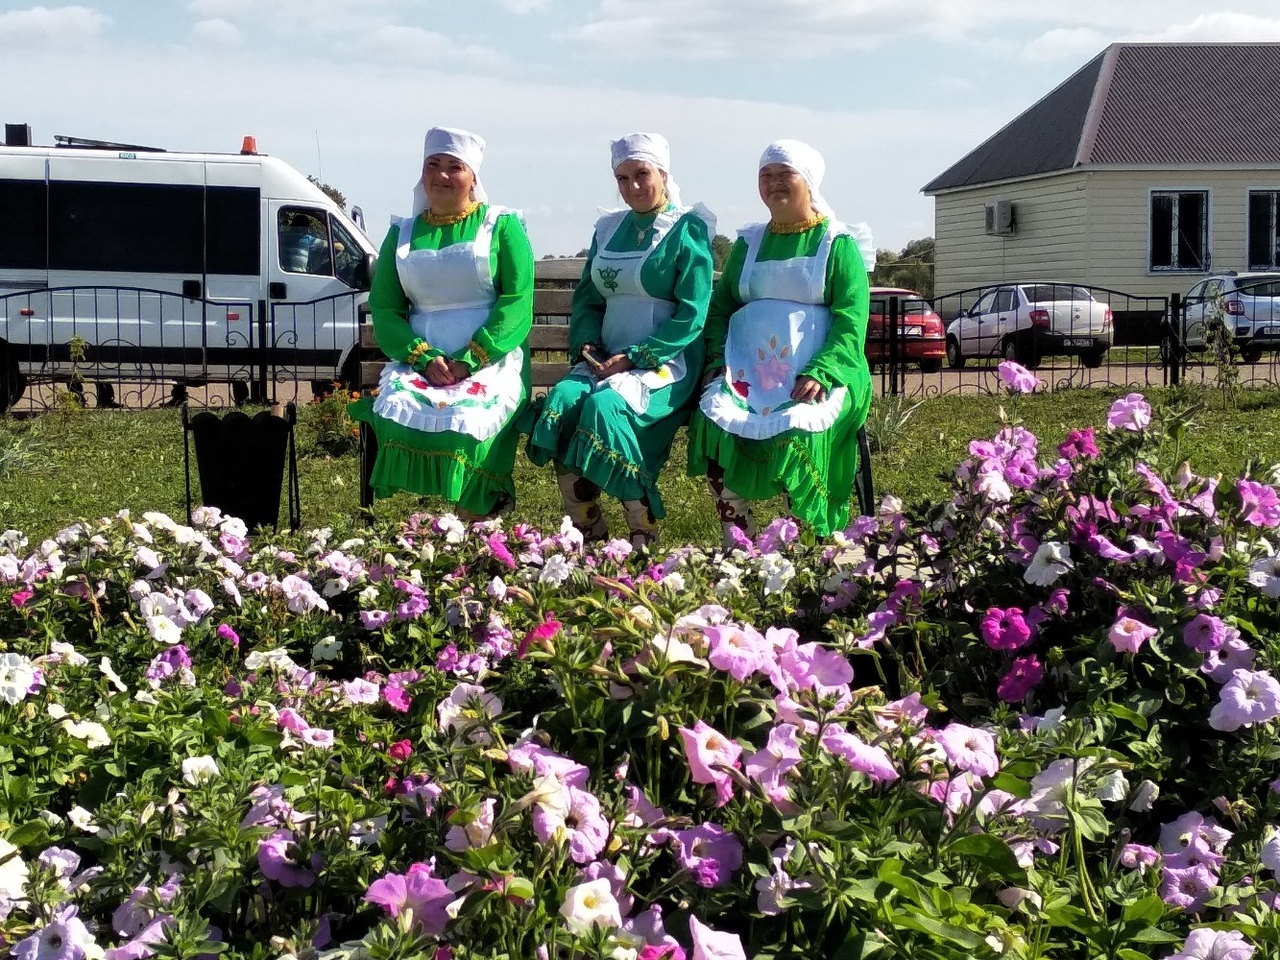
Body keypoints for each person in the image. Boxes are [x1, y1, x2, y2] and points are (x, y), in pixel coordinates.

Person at [525, 132, 714, 548]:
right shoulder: (608, 229)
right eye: (622, 178)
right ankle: (588, 534)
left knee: (605, 406)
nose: (632, 187)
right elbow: (588, 300)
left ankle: (642, 530)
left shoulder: (687, 230)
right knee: (562, 401)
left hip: (664, 360)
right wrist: (589, 345)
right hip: (605, 358)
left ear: (664, 174)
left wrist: (636, 356)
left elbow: (692, 314)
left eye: (641, 174)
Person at [687, 139, 876, 546]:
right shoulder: (750, 243)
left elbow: (850, 320)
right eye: (765, 176)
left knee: (798, 426)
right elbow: (720, 309)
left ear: (808, 181)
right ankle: (740, 543)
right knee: (715, 422)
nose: (773, 184)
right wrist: (719, 361)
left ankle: (800, 547)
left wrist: (822, 371)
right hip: (749, 371)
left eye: (784, 174)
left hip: (824, 371)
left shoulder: (836, 244)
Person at [349, 127, 534, 518]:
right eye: (434, 165)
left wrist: (471, 358)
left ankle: (479, 515)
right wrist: (422, 358)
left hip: (489, 357)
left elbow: (517, 301)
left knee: (469, 418)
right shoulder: (402, 233)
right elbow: (386, 308)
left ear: (473, 178)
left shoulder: (501, 225)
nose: (442, 175)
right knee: (399, 411)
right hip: (422, 359)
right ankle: (431, 529)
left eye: (455, 167)